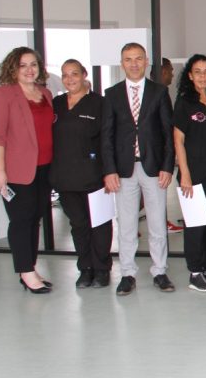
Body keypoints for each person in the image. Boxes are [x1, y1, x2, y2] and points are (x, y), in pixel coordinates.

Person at [102, 42, 175, 296]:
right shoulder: (112, 94)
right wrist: (109, 170)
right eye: (128, 59)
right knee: (126, 225)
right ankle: (127, 274)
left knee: (157, 224)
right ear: (122, 63)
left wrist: (168, 166)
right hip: (123, 170)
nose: (134, 64)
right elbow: (107, 135)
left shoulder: (159, 92)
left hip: (154, 167)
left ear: (146, 62)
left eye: (138, 58)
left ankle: (160, 271)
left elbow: (168, 133)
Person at [0, 46, 54, 293]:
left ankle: (30, 267)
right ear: (12, 68)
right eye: (23, 65)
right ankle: (25, 272)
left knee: (35, 218)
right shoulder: (1, 95)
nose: (29, 70)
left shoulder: (45, 93)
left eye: (33, 64)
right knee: (21, 220)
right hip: (15, 171)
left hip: (44, 168)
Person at [50, 59, 112, 289]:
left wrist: (109, 172)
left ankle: (102, 269)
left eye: (74, 73)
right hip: (65, 176)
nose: (70, 79)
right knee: (78, 224)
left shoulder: (100, 104)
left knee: (100, 224)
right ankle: (85, 268)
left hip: (94, 175)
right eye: (65, 75)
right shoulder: (56, 104)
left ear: (84, 74)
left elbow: (108, 140)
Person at [173, 54, 206, 292]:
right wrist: (184, 174)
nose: (203, 76)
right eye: (198, 72)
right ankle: (195, 272)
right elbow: (178, 140)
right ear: (190, 75)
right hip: (193, 175)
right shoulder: (184, 102)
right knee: (196, 226)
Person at [160, 57, 184, 234]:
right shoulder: (158, 93)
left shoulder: (163, 92)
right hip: (157, 153)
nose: (172, 74)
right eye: (170, 70)